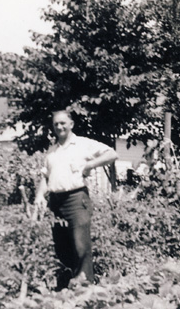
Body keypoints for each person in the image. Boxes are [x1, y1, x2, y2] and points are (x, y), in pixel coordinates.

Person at [34, 109, 118, 290]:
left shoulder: (82, 144)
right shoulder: (52, 151)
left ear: (71, 124)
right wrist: (40, 195)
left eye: (63, 123)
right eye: (56, 124)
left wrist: (90, 164)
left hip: (76, 200)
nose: (59, 126)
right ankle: (70, 287)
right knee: (62, 249)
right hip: (56, 203)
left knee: (81, 247)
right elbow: (45, 176)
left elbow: (112, 154)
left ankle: (86, 291)